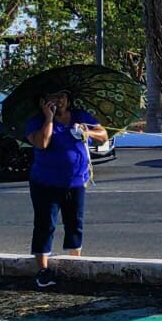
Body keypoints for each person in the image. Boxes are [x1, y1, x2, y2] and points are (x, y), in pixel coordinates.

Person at [25, 89, 108, 289]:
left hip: (76, 181)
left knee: (75, 223)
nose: (59, 101)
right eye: (53, 97)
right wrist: (49, 118)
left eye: (62, 96)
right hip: (45, 183)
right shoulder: (35, 121)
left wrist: (86, 132)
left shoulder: (80, 116)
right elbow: (42, 143)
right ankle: (43, 271)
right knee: (45, 225)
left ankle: (75, 264)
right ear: (42, 101)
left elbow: (104, 135)